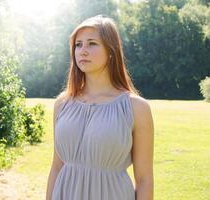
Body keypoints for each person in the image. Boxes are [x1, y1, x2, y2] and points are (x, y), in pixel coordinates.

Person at [46, 15, 154, 200]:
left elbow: (144, 179)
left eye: (92, 43)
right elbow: (57, 166)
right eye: (78, 45)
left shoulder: (136, 108)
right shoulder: (62, 104)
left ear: (111, 51)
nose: (83, 51)